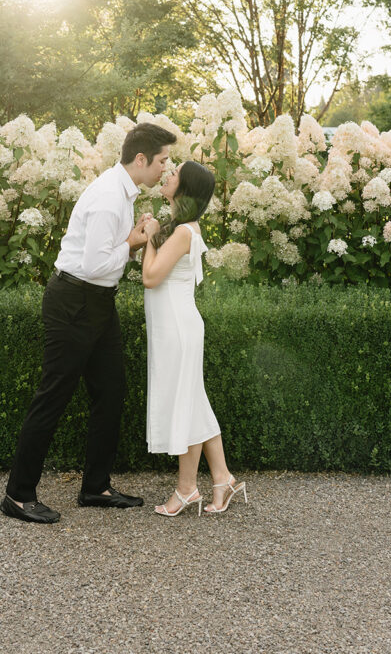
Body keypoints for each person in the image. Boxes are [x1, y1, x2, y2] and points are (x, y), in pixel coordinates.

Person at [1, 122, 177, 524]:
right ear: (140, 159)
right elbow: (97, 263)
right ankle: (17, 494)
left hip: (98, 300)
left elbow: (104, 259)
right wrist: (133, 242)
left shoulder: (123, 191)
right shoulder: (108, 198)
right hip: (73, 302)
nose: (166, 169)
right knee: (54, 396)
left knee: (111, 391)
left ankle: (95, 487)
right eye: (163, 160)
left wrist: (129, 241)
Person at [142, 161, 246, 517]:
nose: (167, 175)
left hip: (178, 326)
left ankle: (187, 489)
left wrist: (149, 238)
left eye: (174, 174)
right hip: (176, 324)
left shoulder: (183, 230)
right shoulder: (179, 227)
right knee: (195, 401)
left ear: (184, 188)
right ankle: (223, 478)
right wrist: (155, 233)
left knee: (185, 403)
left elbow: (151, 278)